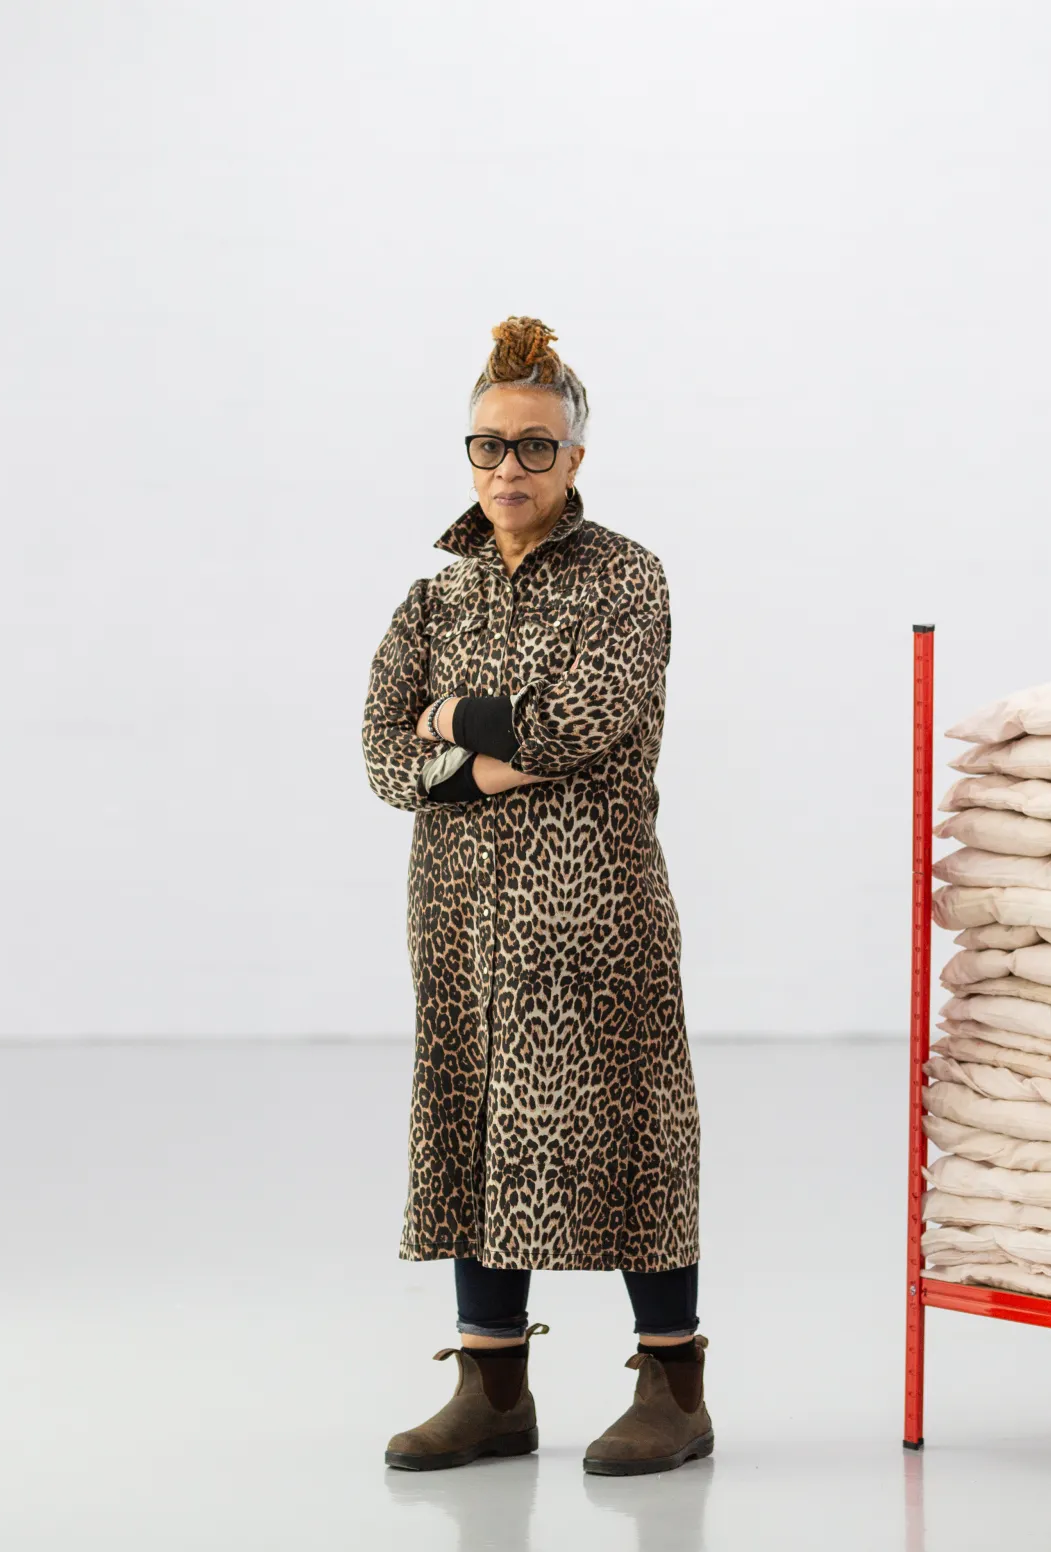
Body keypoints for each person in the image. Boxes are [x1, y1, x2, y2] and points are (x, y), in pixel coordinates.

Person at [360, 317, 708, 1476]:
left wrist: (448, 721)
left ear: (574, 458)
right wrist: (478, 753)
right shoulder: (433, 601)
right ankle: (492, 1389)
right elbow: (376, 754)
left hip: (592, 916)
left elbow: (571, 722)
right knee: (472, 1128)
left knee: (630, 1130)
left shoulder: (626, 578)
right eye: (487, 445)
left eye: (534, 447)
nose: (508, 468)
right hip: (457, 920)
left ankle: (672, 1382)